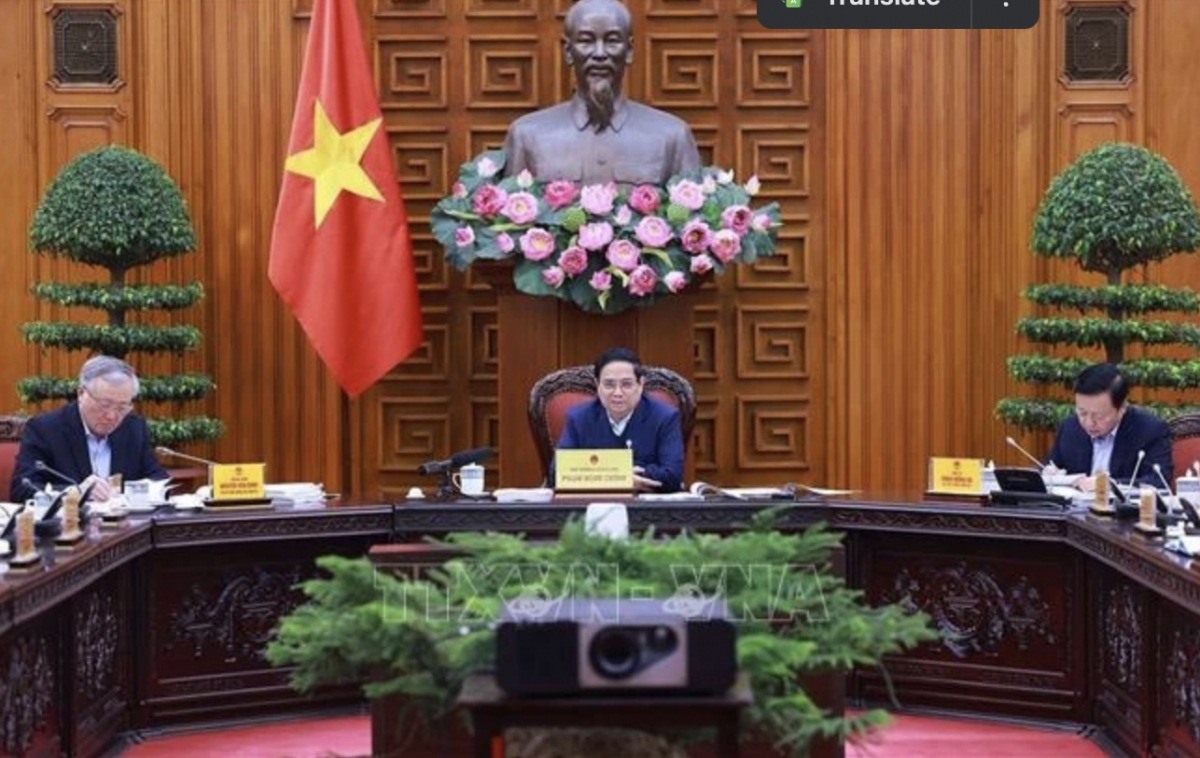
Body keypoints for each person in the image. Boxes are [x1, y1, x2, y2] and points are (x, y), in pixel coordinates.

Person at [502, 0, 701, 185]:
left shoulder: (672, 136)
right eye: (586, 41)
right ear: (569, 52)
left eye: (612, 41)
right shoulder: (527, 135)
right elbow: (505, 217)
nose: (599, 54)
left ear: (629, 51)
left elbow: (694, 220)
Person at [10, 355, 167, 503]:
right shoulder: (45, 429)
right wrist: (75, 493)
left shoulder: (133, 428)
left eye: (122, 407)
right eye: (104, 405)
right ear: (81, 393)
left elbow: (158, 479)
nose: (111, 416)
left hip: (125, 527)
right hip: (72, 527)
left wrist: (136, 493)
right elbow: (21, 490)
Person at [555, 347, 684, 492]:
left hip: (645, 510)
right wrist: (620, 477)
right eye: (609, 385)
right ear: (597, 385)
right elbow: (558, 471)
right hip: (594, 508)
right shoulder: (579, 418)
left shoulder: (665, 417)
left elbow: (673, 476)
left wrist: (593, 471)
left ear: (640, 384)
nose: (617, 393)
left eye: (626, 384)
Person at [1045, 362, 1172, 492]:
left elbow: (1158, 481)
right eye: (1082, 412)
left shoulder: (1150, 430)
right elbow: (1051, 465)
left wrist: (1110, 485)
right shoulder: (1070, 427)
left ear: (1122, 408)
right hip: (1073, 511)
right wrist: (1048, 474)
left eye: (1098, 416)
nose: (1089, 422)